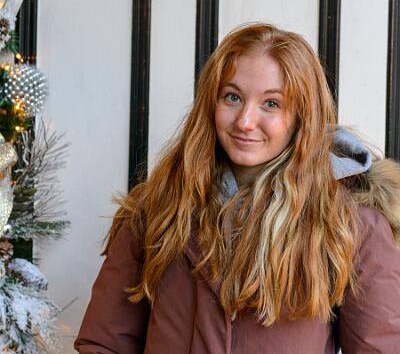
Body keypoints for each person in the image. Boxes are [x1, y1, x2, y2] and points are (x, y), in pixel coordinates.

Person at [74, 23, 400, 353]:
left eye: (271, 104)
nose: (244, 121)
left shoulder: (352, 226)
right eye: (232, 97)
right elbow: (105, 343)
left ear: (303, 115)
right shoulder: (158, 209)